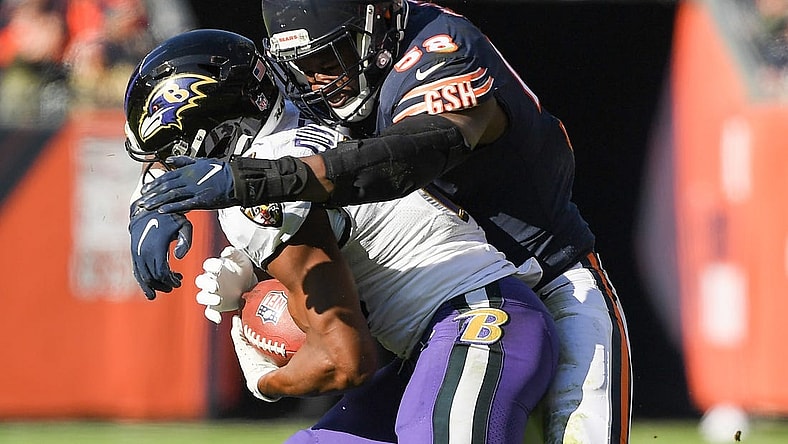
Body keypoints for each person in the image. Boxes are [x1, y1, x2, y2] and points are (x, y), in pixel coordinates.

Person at [136, 1, 632, 442]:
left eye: (328, 60)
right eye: (298, 67)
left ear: (379, 25)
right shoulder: (298, 76)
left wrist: (262, 185)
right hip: (432, 318)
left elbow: (410, 158)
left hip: (545, 274)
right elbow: (209, 124)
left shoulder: (440, 49)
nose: (314, 81)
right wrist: (154, 203)